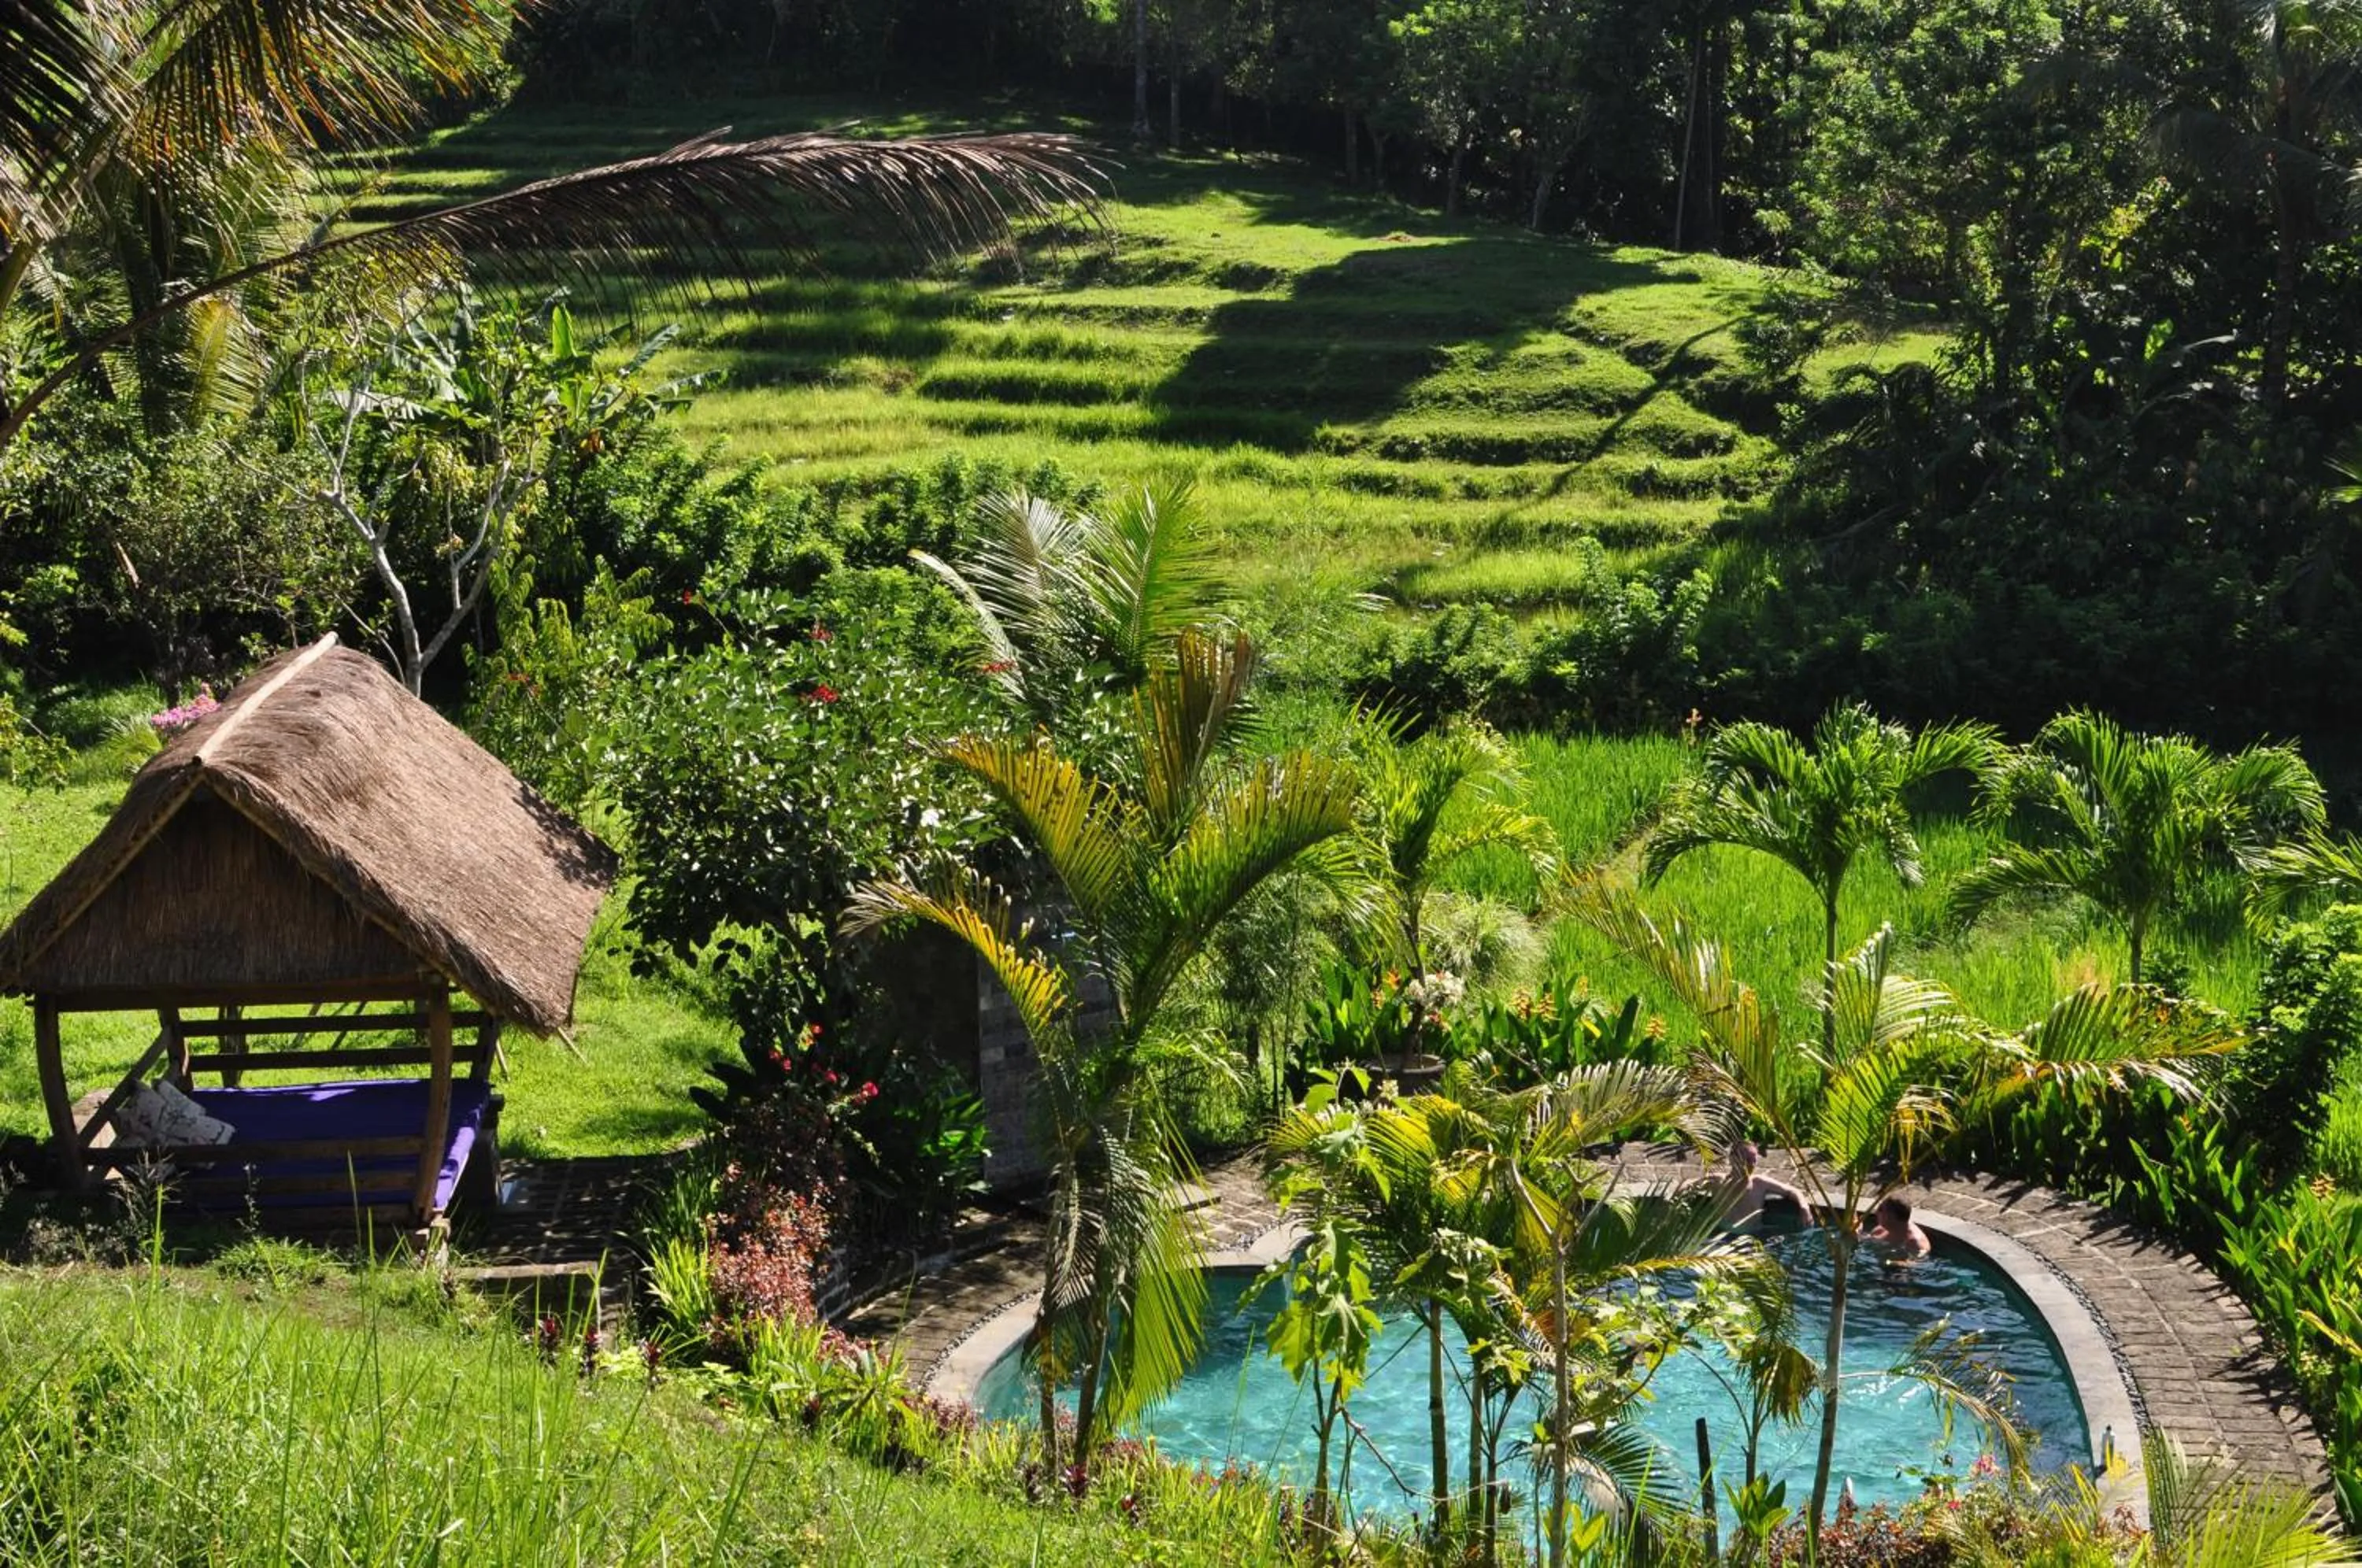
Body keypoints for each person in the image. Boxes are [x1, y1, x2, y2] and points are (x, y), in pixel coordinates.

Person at [1724, 1140, 1812, 1228]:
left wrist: (1805, 1209)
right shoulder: (1717, 1181)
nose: (1752, 1165)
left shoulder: (1759, 1183)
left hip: (1753, 1238)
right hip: (1721, 1239)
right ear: (1732, 1159)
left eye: (1754, 1160)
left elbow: (1793, 1191)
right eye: (1747, 1160)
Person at [1866, 1194, 1931, 1257]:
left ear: (1891, 1216)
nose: (1876, 1212)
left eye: (1880, 1209)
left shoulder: (1916, 1244)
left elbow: (1917, 1262)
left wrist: (1890, 1262)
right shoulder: (1881, 1230)